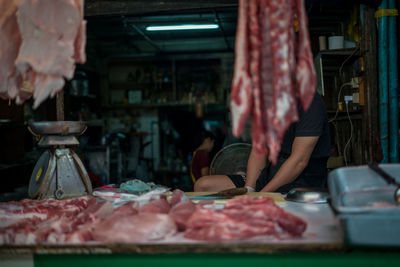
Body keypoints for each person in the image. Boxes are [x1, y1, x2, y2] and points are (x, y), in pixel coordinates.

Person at [194, 92, 330, 193]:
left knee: (280, 202)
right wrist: (249, 189)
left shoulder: (310, 102)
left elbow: (299, 161)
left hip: (303, 178)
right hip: (271, 173)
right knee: (203, 185)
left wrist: (262, 195)